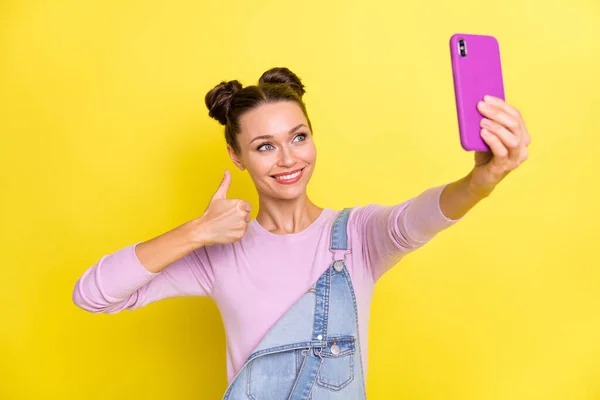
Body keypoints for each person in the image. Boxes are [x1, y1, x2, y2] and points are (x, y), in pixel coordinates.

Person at [72, 67, 530, 399]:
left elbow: (415, 219)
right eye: (264, 147)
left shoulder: (358, 236)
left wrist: (479, 183)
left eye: (298, 137)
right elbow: (93, 294)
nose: (288, 159)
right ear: (236, 156)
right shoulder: (219, 254)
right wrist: (195, 232)